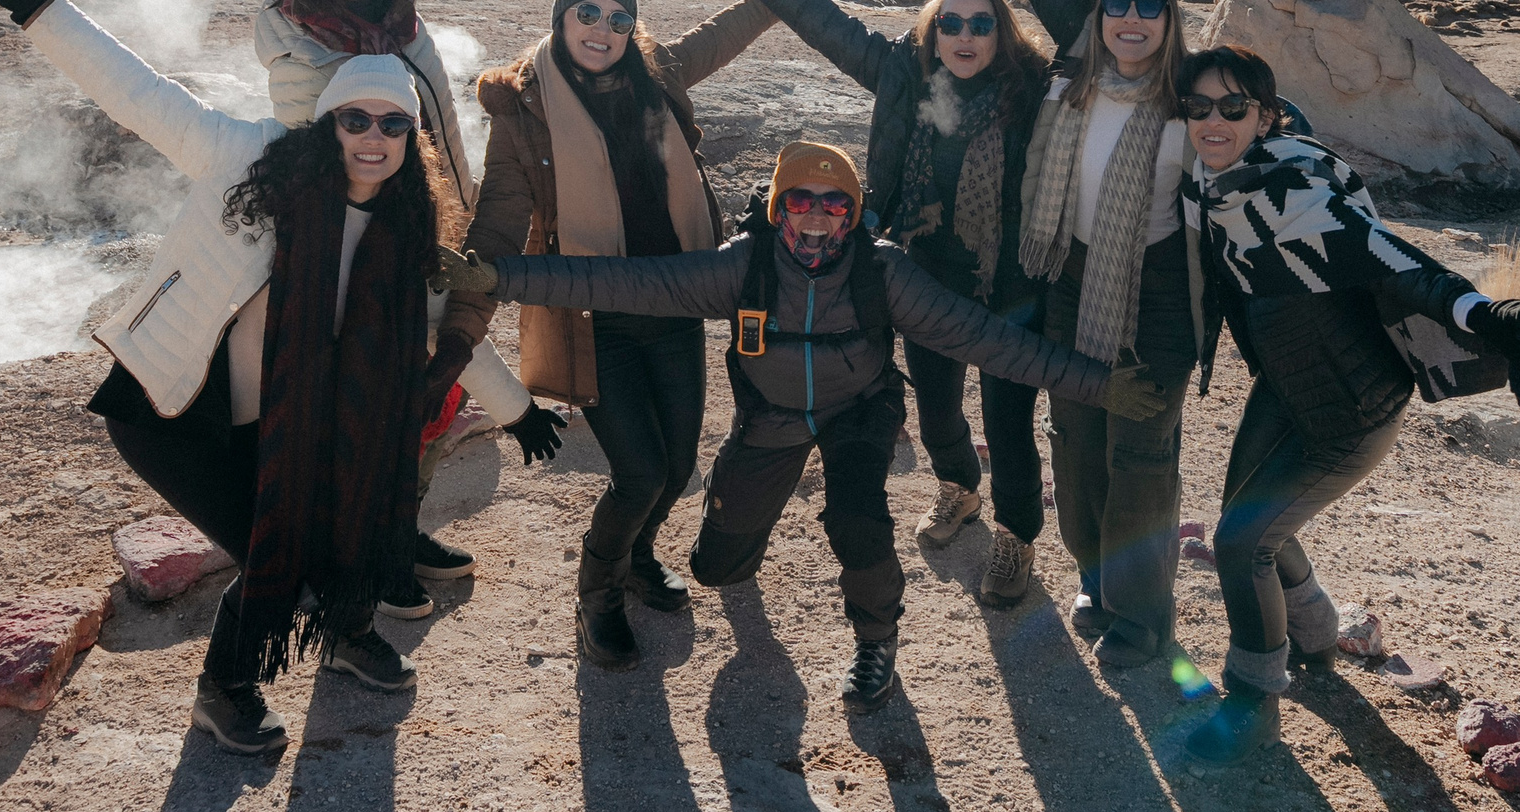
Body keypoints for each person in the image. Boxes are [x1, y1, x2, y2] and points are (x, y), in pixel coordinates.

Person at [0, 0, 460, 756]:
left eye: (392, 124)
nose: (371, 135)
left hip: (278, 419)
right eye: (354, 116)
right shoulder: (249, 158)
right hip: (169, 409)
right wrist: (29, 2)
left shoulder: (403, 231)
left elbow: (447, 326)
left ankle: (346, 634)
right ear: (326, 121)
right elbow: (138, 93)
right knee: (276, 551)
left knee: (354, 514)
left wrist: (515, 402)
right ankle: (226, 689)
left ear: (410, 140)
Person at [438, 142, 1168, 711]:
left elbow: (988, 339)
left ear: (852, 212)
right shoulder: (744, 267)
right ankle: (732, 529)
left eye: (834, 202)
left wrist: (1100, 385)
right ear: (778, 207)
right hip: (772, 417)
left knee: (858, 517)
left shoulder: (882, 273)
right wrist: (501, 278)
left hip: (859, 412)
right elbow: (626, 281)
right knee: (715, 568)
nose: (817, 216)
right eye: (800, 200)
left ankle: (876, 643)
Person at [1174, 43, 1520, 765]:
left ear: (1265, 117)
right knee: (1249, 521)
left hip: (1352, 411)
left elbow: (1399, 263)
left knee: (1244, 541)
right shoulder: (1212, 192)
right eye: (1199, 106)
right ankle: (1316, 638)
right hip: (1287, 391)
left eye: (1233, 106)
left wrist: (1490, 317)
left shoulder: (1298, 195)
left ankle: (1251, 703)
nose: (1215, 119)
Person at [252, 0, 568, 600]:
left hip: (440, 213)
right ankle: (370, 555)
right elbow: (326, 179)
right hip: (377, 241)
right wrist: (519, 409)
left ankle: (391, 528)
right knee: (399, 391)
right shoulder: (300, 57)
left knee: (425, 398)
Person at [464, 0, 809, 669]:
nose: (603, 29)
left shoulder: (656, 72)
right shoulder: (524, 108)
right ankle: (597, 596)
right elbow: (498, 217)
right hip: (596, 318)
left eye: (620, 18)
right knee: (640, 472)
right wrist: (467, 292)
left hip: (676, 301)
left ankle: (637, 556)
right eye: (588, 12)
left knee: (678, 465)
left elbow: (719, 36)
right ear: (562, 16)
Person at [716, 0, 1057, 610]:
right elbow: (830, 28)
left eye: (981, 24)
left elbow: (1087, 38)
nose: (964, 36)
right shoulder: (904, 72)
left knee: (1009, 421)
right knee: (936, 413)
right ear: (933, 32)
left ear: (1002, 33)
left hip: (1010, 285)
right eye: (951, 24)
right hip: (926, 275)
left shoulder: (1035, 94)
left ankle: (1017, 535)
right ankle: (960, 488)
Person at [983, 0, 1197, 669]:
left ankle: (1143, 620)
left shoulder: (1193, 98)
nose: (1131, 18)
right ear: (1102, 15)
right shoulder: (1077, 62)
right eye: (1119, 5)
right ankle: (1096, 578)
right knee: (1074, 438)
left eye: (1150, 7)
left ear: (1169, 21)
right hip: (1070, 278)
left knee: (1139, 455)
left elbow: (1261, 130)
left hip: (1155, 296)